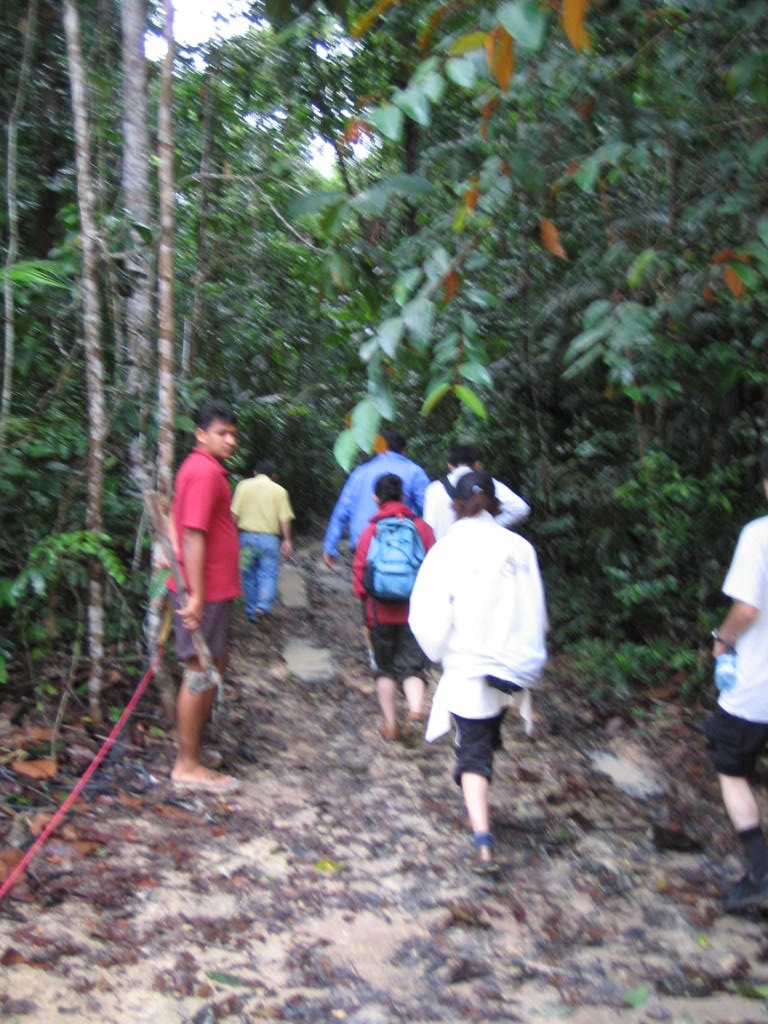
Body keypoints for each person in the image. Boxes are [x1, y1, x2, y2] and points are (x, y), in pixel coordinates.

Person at [409, 470, 547, 874]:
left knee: (471, 750)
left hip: (470, 666)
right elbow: (535, 609)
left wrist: (439, 652)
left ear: (455, 504)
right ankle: (480, 795)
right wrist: (528, 658)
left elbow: (427, 616)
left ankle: (483, 841)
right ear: (495, 503)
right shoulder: (520, 548)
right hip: (513, 666)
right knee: (484, 738)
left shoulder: (447, 550)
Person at [168, 402, 240, 793]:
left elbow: (175, 517)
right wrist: (195, 596)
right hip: (205, 591)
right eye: (221, 433)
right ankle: (186, 764)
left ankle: (193, 750)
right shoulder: (203, 472)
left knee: (214, 664)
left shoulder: (206, 470)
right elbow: (194, 534)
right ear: (201, 434)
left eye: (233, 435)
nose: (230, 441)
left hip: (213, 589)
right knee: (199, 670)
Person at [707, 452, 768, 912]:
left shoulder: (758, 535)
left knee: (731, 768)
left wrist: (723, 639)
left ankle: (760, 873)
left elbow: (746, 609)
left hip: (757, 685)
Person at [352, 473, 435, 740]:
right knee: (413, 667)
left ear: (376, 498)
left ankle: (390, 725)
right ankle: (415, 712)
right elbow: (434, 568)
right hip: (416, 612)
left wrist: (364, 599)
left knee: (384, 668)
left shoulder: (371, 530)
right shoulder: (421, 528)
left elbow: (360, 571)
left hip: (379, 612)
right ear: (403, 496)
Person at [322, 428, 430, 568]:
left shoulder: (360, 473)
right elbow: (429, 508)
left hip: (364, 545)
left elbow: (341, 512)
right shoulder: (415, 472)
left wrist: (329, 547)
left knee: (364, 579)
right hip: (403, 548)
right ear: (404, 452)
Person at [423, 441, 530, 540]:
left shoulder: (434, 489)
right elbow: (520, 508)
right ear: (478, 464)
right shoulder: (486, 483)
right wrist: (491, 526)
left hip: (444, 548)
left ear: (449, 465)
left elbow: (428, 526)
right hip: (481, 547)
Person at [231, 459, 295, 621]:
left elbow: (234, 515)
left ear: (255, 472)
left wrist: (230, 535)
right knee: (268, 574)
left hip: (246, 538)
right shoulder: (279, 491)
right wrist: (287, 540)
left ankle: (252, 612)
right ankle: (263, 605)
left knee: (248, 575)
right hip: (269, 540)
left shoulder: (243, 486)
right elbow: (284, 518)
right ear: (273, 476)